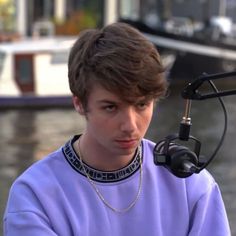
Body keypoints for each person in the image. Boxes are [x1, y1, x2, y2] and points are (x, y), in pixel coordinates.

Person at [3, 22, 230, 236]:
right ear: (79, 103)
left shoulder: (192, 185)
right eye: (111, 107)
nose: (130, 126)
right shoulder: (34, 197)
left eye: (142, 104)